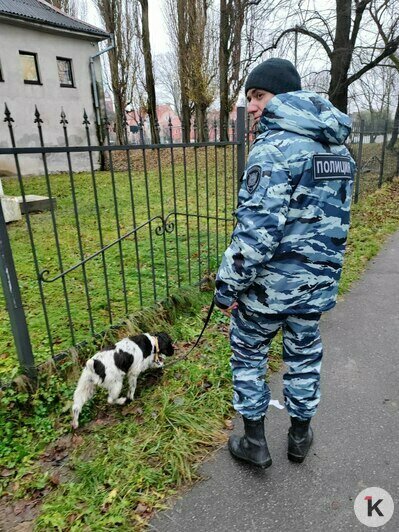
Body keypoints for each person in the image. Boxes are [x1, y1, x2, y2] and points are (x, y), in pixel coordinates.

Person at [214, 58, 355, 468]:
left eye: (258, 96)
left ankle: (255, 444)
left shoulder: (272, 149)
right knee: (305, 356)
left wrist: (226, 287)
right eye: (249, 98)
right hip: (316, 288)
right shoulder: (338, 151)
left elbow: (255, 236)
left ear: (284, 95)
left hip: (267, 291)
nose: (252, 106)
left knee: (248, 354)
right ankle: (299, 436)